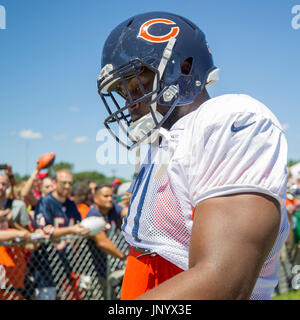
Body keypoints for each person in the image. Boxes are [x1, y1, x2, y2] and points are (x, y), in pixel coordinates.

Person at [97, 12, 289, 300]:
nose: (130, 104)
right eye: (124, 94)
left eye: (137, 85)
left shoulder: (228, 119)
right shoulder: (160, 146)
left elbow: (222, 280)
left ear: (184, 67)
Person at [32, 169, 90, 300]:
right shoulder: (45, 202)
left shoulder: (71, 204)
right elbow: (44, 233)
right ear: (54, 182)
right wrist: (71, 230)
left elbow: (79, 225)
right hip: (47, 263)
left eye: (70, 183)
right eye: (64, 182)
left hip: (68, 262)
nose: (68, 186)